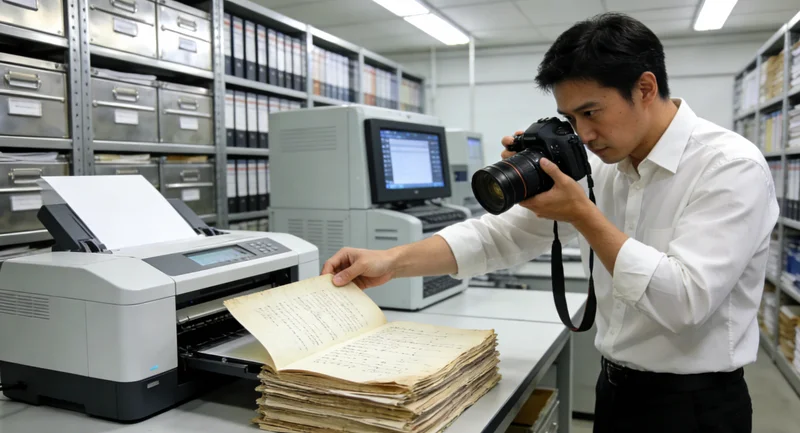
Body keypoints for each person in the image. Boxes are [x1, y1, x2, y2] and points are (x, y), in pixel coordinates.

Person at [321, 12, 778, 433]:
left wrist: (582, 214)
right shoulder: (602, 164)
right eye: (571, 118)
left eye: (591, 112)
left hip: (695, 407)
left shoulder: (729, 167)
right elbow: (501, 236)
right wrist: (391, 260)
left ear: (644, 88)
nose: (584, 134)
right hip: (615, 391)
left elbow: (685, 301)